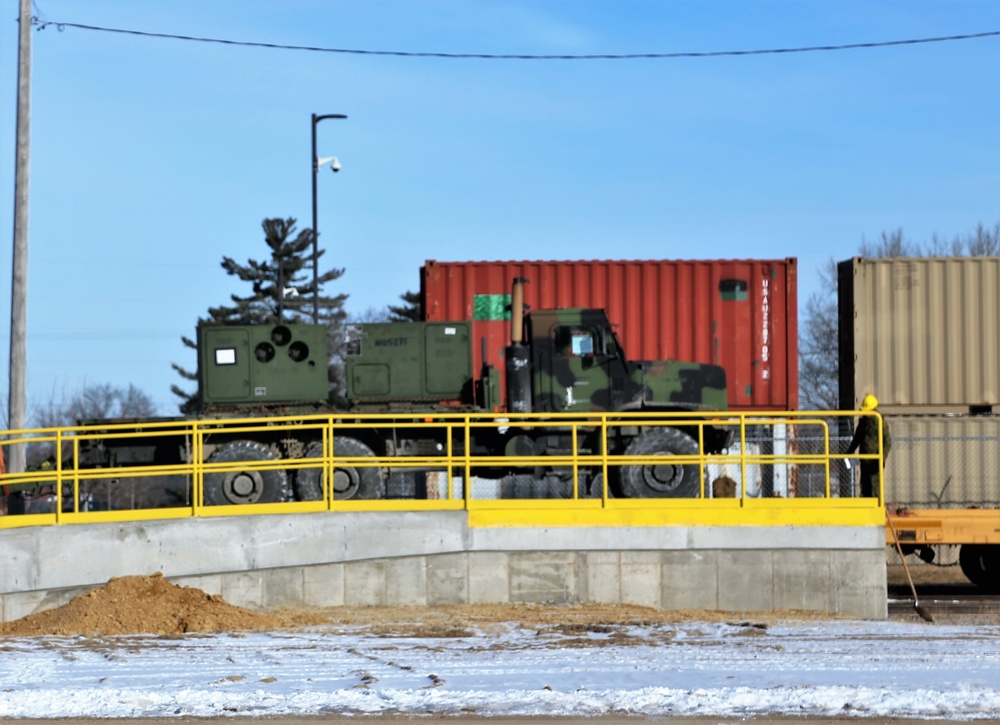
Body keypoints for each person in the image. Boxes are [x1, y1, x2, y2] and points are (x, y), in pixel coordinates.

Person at [847, 393, 892, 498]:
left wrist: (881, 457)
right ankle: (865, 506)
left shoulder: (879, 421)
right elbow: (857, 439)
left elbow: (887, 441)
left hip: (875, 461)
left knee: (875, 486)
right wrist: (849, 452)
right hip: (864, 459)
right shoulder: (863, 423)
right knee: (865, 484)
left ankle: (876, 507)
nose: (865, 413)